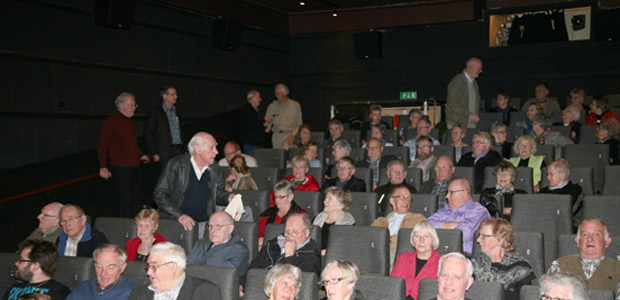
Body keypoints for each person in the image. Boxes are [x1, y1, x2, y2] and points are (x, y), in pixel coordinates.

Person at [153, 132, 233, 238]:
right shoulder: (177, 165)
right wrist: (180, 215)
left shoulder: (214, 168)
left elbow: (218, 194)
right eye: (212, 148)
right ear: (198, 149)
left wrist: (228, 197)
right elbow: (159, 195)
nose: (216, 152)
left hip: (203, 225)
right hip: (178, 223)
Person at [97, 92, 150, 217]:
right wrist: (103, 166)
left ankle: (138, 225)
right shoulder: (111, 122)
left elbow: (130, 143)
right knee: (124, 200)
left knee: (136, 198)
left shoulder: (129, 122)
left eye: (134, 105)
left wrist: (140, 155)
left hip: (134, 166)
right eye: (132, 105)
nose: (134, 108)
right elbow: (102, 145)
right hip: (120, 168)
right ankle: (125, 229)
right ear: (122, 106)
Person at [244, 213, 321, 292]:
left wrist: (289, 256)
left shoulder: (311, 255)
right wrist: (241, 285)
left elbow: (302, 286)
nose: (289, 236)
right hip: (259, 289)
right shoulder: (272, 245)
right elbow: (252, 270)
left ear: (307, 233)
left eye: (295, 232)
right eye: (287, 231)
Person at [547, 218, 619, 298]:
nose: (590, 239)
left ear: (607, 242)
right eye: (585, 234)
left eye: (596, 234)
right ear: (578, 241)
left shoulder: (617, 270)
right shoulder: (559, 266)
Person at [127, 242, 221, 300]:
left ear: (172, 267)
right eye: (148, 266)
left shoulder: (205, 292)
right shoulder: (139, 294)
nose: (148, 272)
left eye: (154, 267)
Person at [471, 218, 536, 300]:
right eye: (479, 235)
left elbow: (526, 297)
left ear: (500, 241)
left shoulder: (520, 266)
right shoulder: (474, 264)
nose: (478, 240)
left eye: (484, 236)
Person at [427, 178, 490, 254]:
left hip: (463, 256)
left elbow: (462, 235)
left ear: (464, 192)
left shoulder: (479, 211)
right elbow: (425, 226)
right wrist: (452, 225)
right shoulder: (444, 210)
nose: (447, 196)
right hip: (437, 253)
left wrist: (440, 227)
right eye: (447, 192)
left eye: (451, 192)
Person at [371, 186, 426, 263]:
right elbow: (371, 238)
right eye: (402, 197)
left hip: (405, 257)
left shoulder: (418, 219)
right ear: (392, 200)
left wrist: (398, 239)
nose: (406, 201)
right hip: (381, 256)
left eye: (409, 198)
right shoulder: (380, 222)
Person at [2, 240, 70, 300]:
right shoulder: (15, 288)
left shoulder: (59, 292)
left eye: (21, 260)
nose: (16, 263)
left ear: (35, 266)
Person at [187, 211, 250, 276]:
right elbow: (186, 266)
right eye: (210, 226)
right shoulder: (200, 244)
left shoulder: (239, 250)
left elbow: (220, 276)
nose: (212, 230)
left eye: (218, 227)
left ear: (230, 229)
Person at [391, 221, 442, 300]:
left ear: (433, 240)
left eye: (426, 237)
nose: (421, 241)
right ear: (412, 240)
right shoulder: (403, 257)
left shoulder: (442, 263)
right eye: (417, 236)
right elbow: (393, 285)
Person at [66, 244, 136, 300]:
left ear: (122, 268)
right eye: (99, 266)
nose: (103, 273)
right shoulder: (82, 289)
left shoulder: (132, 294)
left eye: (110, 268)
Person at [144, 86, 184, 168]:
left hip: (178, 150)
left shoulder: (176, 110)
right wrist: (154, 152)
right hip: (164, 152)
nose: (176, 97)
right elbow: (148, 133)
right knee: (167, 176)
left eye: (176, 94)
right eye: (173, 94)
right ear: (164, 96)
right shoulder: (156, 112)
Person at [258, 180, 307, 247]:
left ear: (290, 197)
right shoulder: (268, 214)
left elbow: (301, 238)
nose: (277, 200)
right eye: (276, 197)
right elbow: (260, 236)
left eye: (281, 197)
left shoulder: (300, 215)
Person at [539, 159, 584, 230]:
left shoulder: (575, 190)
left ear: (562, 175)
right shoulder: (543, 191)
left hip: (566, 225)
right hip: (544, 224)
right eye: (547, 174)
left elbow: (570, 210)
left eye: (551, 174)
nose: (548, 177)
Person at [313, 187, 356, 254]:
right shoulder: (319, 217)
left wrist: (326, 252)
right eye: (325, 198)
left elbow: (344, 247)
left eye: (329, 199)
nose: (324, 201)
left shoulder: (347, 222)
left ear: (340, 205)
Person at [446, 57, 483, 130]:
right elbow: (453, 104)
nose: (481, 71)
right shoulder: (457, 82)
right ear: (472, 67)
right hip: (457, 125)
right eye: (479, 68)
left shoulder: (474, 83)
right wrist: (469, 114)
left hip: (471, 124)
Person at [264, 83, 303, 149]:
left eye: (278, 93)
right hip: (276, 137)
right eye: (276, 93)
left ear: (285, 93)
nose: (276, 95)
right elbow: (267, 124)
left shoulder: (295, 105)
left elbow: (299, 125)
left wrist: (293, 135)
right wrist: (267, 124)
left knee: (286, 157)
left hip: (289, 136)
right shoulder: (272, 106)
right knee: (278, 157)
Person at [240, 89, 266, 156]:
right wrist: (263, 121)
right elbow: (254, 126)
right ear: (252, 98)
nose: (260, 99)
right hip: (252, 145)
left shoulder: (253, 111)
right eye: (258, 97)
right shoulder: (248, 111)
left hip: (255, 144)